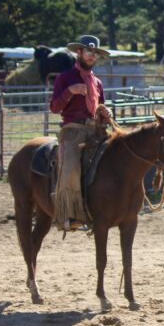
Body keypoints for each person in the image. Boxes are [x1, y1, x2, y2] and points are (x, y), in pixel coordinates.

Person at [49, 35, 113, 232]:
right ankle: (68, 214)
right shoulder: (65, 78)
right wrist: (70, 91)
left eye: (95, 53)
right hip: (73, 131)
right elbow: (54, 107)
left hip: (95, 130)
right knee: (71, 166)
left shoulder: (97, 83)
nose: (92, 55)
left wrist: (105, 113)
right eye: (89, 51)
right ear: (79, 53)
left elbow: (99, 107)